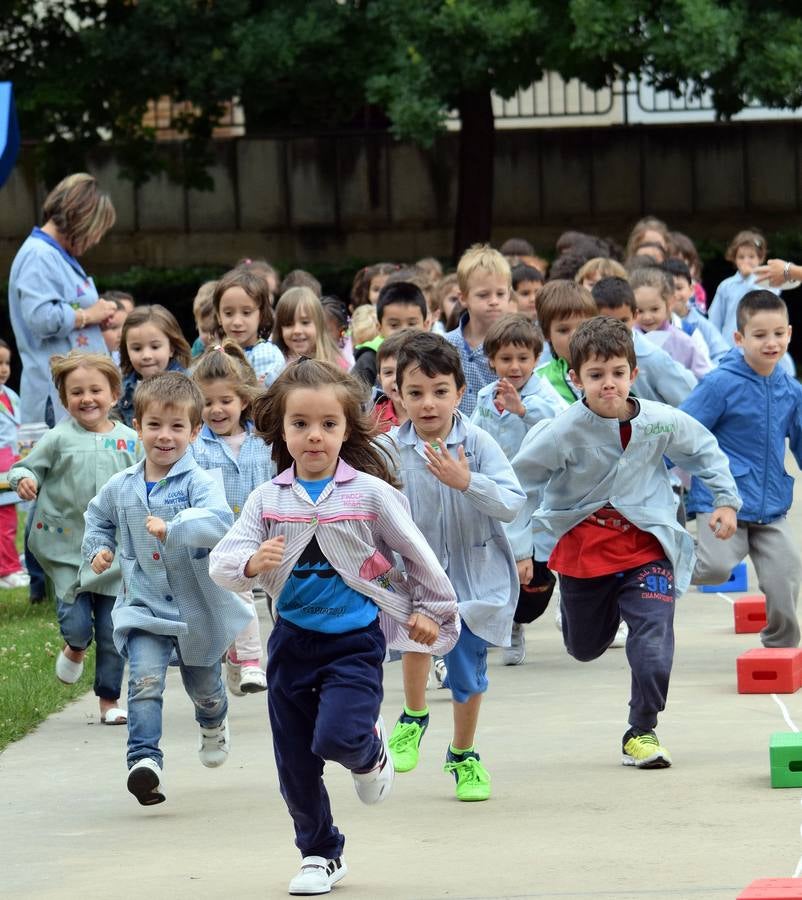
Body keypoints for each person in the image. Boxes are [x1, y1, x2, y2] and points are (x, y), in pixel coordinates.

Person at [208, 358, 458, 896]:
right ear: (281, 429)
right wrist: (252, 564)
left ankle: (369, 754)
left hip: (354, 640)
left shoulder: (369, 493)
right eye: (300, 424)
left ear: (348, 428)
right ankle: (320, 853)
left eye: (328, 424)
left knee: (338, 736)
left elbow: (419, 559)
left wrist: (429, 613)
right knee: (295, 760)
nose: (314, 436)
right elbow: (223, 562)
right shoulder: (267, 498)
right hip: (292, 642)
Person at [507, 316, 740, 768]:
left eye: (617, 373)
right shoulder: (561, 431)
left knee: (653, 643)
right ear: (575, 379)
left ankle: (642, 730)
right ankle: (592, 612)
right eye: (595, 375)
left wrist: (726, 502)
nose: (608, 384)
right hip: (583, 550)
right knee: (585, 648)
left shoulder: (658, 421)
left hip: (647, 546)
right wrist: (522, 550)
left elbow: (705, 449)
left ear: (633, 374)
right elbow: (522, 485)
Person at [82, 372, 252, 806]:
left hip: (195, 608)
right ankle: (144, 760)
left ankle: (213, 722)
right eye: (154, 424)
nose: (165, 436)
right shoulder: (121, 486)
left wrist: (175, 527)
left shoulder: (199, 482)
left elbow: (219, 522)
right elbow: (97, 517)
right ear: (137, 426)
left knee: (206, 689)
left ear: (195, 432)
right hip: (143, 604)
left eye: (177, 427)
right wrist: (99, 548)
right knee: (144, 680)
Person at [386, 332, 525, 800]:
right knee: (415, 636)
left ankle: (463, 754)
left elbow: (511, 503)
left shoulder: (478, 442)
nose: (428, 404)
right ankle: (413, 715)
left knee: (467, 672)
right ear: (399, 396)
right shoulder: (390, 450)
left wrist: (467, 482)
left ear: (460, 392)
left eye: (440, 391)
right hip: (415, 575)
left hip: (472, 575)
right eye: (416, 393)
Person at [9, 351, 140, 722]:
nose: (87, 398)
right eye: (76, 392)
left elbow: (151, 478)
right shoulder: (58, 438)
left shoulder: (131, 441)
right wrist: (25, 480)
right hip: (68, 551)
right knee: (79, 625)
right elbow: (23, 466)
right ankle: (76, 648)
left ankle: (109, 702)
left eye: (95, 390)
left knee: (114, 632)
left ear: (114, 394)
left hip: (114, 553)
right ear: (65, 399)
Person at [682, 290, 802, 647]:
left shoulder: (791, 389)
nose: (771, 342)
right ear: (739, 338)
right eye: (760, 335)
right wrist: (653, 472)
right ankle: (660, 552)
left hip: (770, 507)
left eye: (779, 334)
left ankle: (782, 647)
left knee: (788, 573)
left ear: (790, 334)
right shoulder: (721, 383)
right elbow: (685, 430)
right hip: (723, 502)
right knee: (715, 569)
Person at [470, 315, 566, 665]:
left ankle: (566, 607)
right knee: (502, 566)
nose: (514, 366)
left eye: (523, 358)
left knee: (545, 564)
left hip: (541, 496)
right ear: (492, 360)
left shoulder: (544, 394)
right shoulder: (485, 396)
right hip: (501, 493)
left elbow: (562, 426)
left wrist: (523, 410)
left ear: (536, 359)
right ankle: (511, 623)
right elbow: (474, 432)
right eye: (506, 359)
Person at [191, 341, 274, 694]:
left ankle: (240, 657)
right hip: (218, 539)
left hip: (261, 534)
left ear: (243, 400)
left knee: (271, 601)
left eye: (225, 401)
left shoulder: (264, 440)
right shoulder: (195, 446)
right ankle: (251, 660)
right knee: (234, 595)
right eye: (207, 403)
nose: (216, 410)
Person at [8, 172, 118, 426]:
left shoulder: (52, 254)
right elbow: (41, 318)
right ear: (80, 218)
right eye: (97, 228)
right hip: (55, 399)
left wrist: (93, 320)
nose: (97, 239)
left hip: (71, 398)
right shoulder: (39, 255)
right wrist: (90, 315)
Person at [592, 277, 698, 406]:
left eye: (623, 320)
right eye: (607, 321)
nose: (616, 328)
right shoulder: (589, 353)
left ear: (635, 316)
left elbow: (690, 399)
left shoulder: (653, 358)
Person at [445, 244, 512, 416]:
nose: (494, 301)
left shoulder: (514, 346)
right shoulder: (445, 345)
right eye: (483, 295)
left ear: (509, 295)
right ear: (463, 298)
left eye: (500, 294)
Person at [115, 305, 191, 428]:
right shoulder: (122, 388)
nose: (146, 355)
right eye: (137, 348)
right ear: (126, 351)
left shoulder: (191, 385)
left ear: (171, 348)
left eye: (155, 347)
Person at [631, 267, 713, 379]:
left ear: (670, 303)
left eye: (654, 309)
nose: (647, 317)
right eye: (639, 311)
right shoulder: (627, 341)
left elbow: (706, 378)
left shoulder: (685, 340)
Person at [214, 267, 285, 387]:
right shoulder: (216, 354)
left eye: (246, 312)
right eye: (228, 313)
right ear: (219, 316)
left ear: (261, 314)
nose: (237, 322)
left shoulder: (268, 355)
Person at [352, 281, 429, 388]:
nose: (404, 331)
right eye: (394, 325)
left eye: (412, 324)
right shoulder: (369, 360)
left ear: (426, 325)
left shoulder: (433, 357)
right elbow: (352, 397)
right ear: (379, 327)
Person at [708, 230, 779, 347]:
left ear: (760, 258)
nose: (746, 261)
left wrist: (751, 278)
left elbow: (771, 306)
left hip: (760, 348)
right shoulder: (726, 286)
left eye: (751, 257)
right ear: (734, 259)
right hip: (729, 348)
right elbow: (714, 320)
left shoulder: (768, 283)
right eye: (741, 257)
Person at [534, 280, 598, 404]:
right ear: (547, 334)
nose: (574, 336)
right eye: (563, 330)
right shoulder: (538, 381)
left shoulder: (613, 371)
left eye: (582, 326)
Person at [664, 258, 729, 363]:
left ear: (691, 290)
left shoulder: (701, 324)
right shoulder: (654, 324)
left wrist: (707, 373)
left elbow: (722, 354)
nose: (674, 294)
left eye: (679, 288)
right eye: (668, 288)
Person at [0, 341, 27, 589]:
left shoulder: (11, 396)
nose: (3, 368)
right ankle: (7, 570)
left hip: (12, 465)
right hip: (2, 466)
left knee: (9, 521)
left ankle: (10, 566)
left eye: (6, 362)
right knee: (4, 522)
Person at [272, 287, 348, 368]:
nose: (297, 331)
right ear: (280, 329)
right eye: (288, 324)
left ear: (319, 325)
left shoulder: (335, 365)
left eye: (305, 322)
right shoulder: (275, 364)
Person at [372, 330, 412, 432]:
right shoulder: (373, 418)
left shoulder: (431, 413)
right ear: (380, 379)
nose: (396, 378)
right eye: (388, 372)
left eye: (404, 371)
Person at [190, 281, 218, 358]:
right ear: (196, 324)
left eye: (215, 330)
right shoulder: (199, 346)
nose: (210, 337)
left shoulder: (230, 346)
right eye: (204, 330)